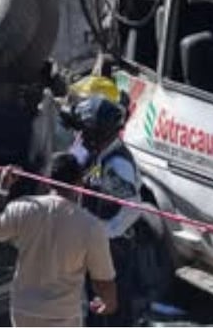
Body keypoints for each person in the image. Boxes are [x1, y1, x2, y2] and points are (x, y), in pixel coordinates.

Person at [0, 154, 118, 326]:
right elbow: (103, 280)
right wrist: (109, 303)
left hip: (23, 311)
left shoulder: (23, 208)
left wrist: (2, 189)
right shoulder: (90, 227)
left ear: (47, 180)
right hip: (62, 315)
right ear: (79, 183)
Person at [65, 96, 150, 326]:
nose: (82, 135)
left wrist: (103, 232)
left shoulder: (116, 165)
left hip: (114, 249)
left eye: (87, 130)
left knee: (112, 309)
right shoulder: (97, 153)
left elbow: (132, 209)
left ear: (101, 131)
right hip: (96, 244)